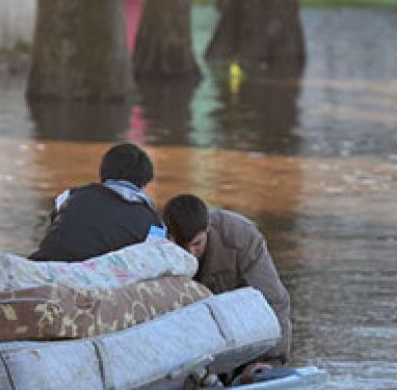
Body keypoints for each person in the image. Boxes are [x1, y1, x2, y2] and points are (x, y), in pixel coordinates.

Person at [162, 194, 292, 367]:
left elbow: (273, 300)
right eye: (182, 247)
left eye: (197, 244)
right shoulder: (157, 246)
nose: (190, 253)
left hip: (244, 329)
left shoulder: (241, 237)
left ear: (208, 228)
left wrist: (271, 360)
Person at [30, 142, 166, 262]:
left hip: (44, 265)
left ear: (104, 171)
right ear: (144, 180)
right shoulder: (154, 223)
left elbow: (57, 227)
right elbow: (154, 258)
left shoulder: (69, 196)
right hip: (96, 280)